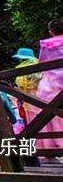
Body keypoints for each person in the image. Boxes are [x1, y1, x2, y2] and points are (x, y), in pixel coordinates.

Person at [35, 19, 63, 161]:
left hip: (52, 84)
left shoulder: (47, 44)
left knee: (48, 114)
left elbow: (42, 63)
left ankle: (52, 148)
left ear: (51, 32)